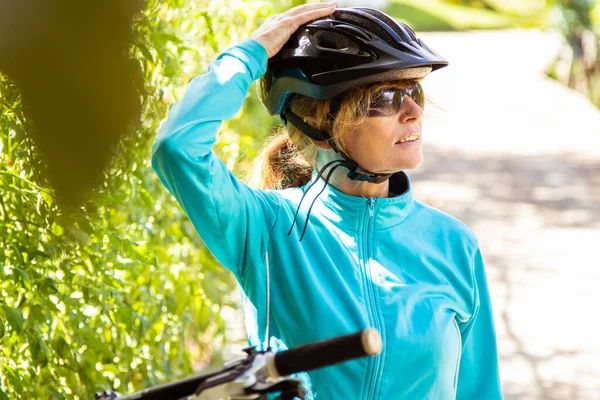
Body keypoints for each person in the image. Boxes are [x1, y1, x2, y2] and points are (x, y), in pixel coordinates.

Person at [151, 3, 503, 399]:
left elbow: (479, 390)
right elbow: (177, 147)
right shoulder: (267, 230)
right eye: (386, 96)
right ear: (320, 124)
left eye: (414, 91)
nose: (414, 111)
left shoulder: (453, 244)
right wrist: (251, 54)